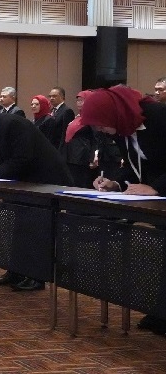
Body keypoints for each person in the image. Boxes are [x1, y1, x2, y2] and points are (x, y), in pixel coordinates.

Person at [0, 100, 73, 291]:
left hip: (45, 182)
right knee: (19, 229)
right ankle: (16, 271)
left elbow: (23, 157)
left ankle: (36, 277)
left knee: (38, 230)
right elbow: (6, 159)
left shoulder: (13, 124)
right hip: (27, 185)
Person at [80, 85, 166, 335]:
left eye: (100, 124)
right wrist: (115, 182)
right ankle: (161, 312)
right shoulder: (122, 125)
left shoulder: (158, 117)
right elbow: (133, 164)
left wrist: (156, 187)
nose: (99, 130)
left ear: (112, 114)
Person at [62, 90, 99, 188]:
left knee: (81, 183)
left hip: (82, 157)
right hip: (71, 155)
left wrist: (94, 156)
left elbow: (96, 138)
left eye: (82, 100)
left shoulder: (92, 117)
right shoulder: (78, 117)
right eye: (77, 100)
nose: (79, 103)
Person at [48, 86, 76, 151]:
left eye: (54, 96)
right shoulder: (51, 110)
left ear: (62, 97)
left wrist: (61, 151)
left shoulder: (67, 111)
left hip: (60, 148)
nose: (51, 98)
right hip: (51, 147)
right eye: (50, 96)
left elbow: (65, 133)